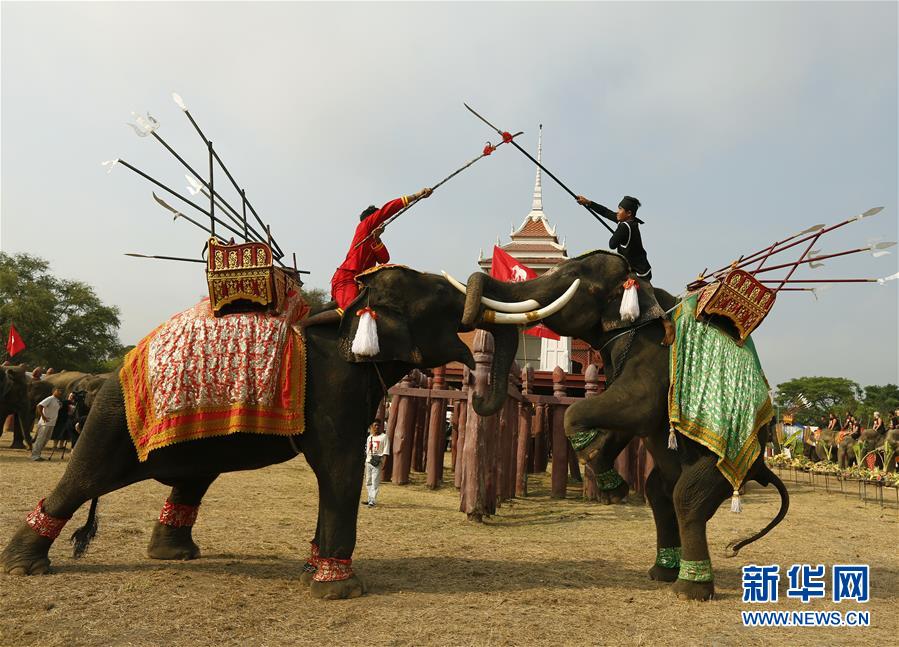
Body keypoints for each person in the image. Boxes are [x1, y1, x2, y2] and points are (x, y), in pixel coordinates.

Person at [301, 188, 433, 328]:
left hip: (360, 283)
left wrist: (377, 239)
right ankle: (304, 326)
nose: (382, 223)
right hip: (346, 278)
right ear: (372, 219)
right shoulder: (364, 227)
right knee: (353, 312)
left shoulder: (372, 239)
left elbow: (384, 259)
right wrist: (416, 196)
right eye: (379, 219)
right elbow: (386, 211)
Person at [575, 194, 651, 280]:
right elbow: (605, 212)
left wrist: (618, 233)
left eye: (620, 209)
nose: (617, 212)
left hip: (638, 272)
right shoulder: (629, 221)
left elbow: (612, 244)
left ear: (629, 213)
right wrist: (588, 202)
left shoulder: (624, 226)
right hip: (636, 268)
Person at [31, 387, 63, 461]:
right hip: (45, 423)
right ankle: (34, 455)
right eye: (58, 390)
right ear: (54, 391)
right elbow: (39, 406)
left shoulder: (58, 401)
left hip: (52, 423)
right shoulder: (50, 398)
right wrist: (43, 416)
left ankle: (38, 454)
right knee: (40, 439)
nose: (60, 392)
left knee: (46, 439)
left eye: (61, 391)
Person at [363, 423, 390, 507]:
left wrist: (384, 462)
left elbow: (386, 451)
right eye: (375, 425)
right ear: (371, 427)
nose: (377, 427)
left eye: (378, 425)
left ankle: (372, 501)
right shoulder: (369, 438)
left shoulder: (384, 437)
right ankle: (370, 499)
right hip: (368, 461)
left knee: (375, 482)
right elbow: (367, 450)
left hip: (378, 462)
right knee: (368, 481)